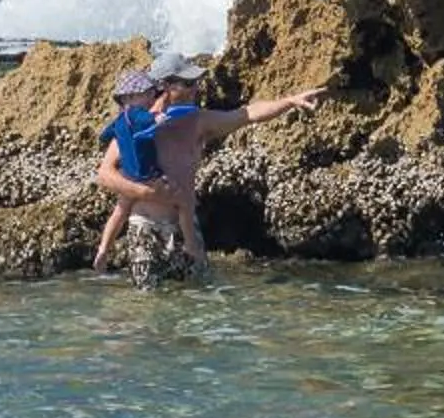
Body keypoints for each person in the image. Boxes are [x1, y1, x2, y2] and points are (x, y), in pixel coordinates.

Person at [137, 53, 326, 272]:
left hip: (186, 231)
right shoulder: (136, 123)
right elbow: (107, 174)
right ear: (164, 86)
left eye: (196, 81)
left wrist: (290, 101)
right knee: (149, 295)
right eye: (188, 83)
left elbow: (248, 114)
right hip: (146, 228)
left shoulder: (199, 121)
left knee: (193, 292)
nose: (196, 88)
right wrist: (142, 192)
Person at [89, 69, 174, 273]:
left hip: (128, 176)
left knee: (119, 213)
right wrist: (160, 119)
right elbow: (148, 120)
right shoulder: (138, 114)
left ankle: (103, 249)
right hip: (148, 174)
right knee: (174, 193)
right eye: (148, 93)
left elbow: (104, 134)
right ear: (130, 97)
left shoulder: (119, 120)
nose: (151, 97)